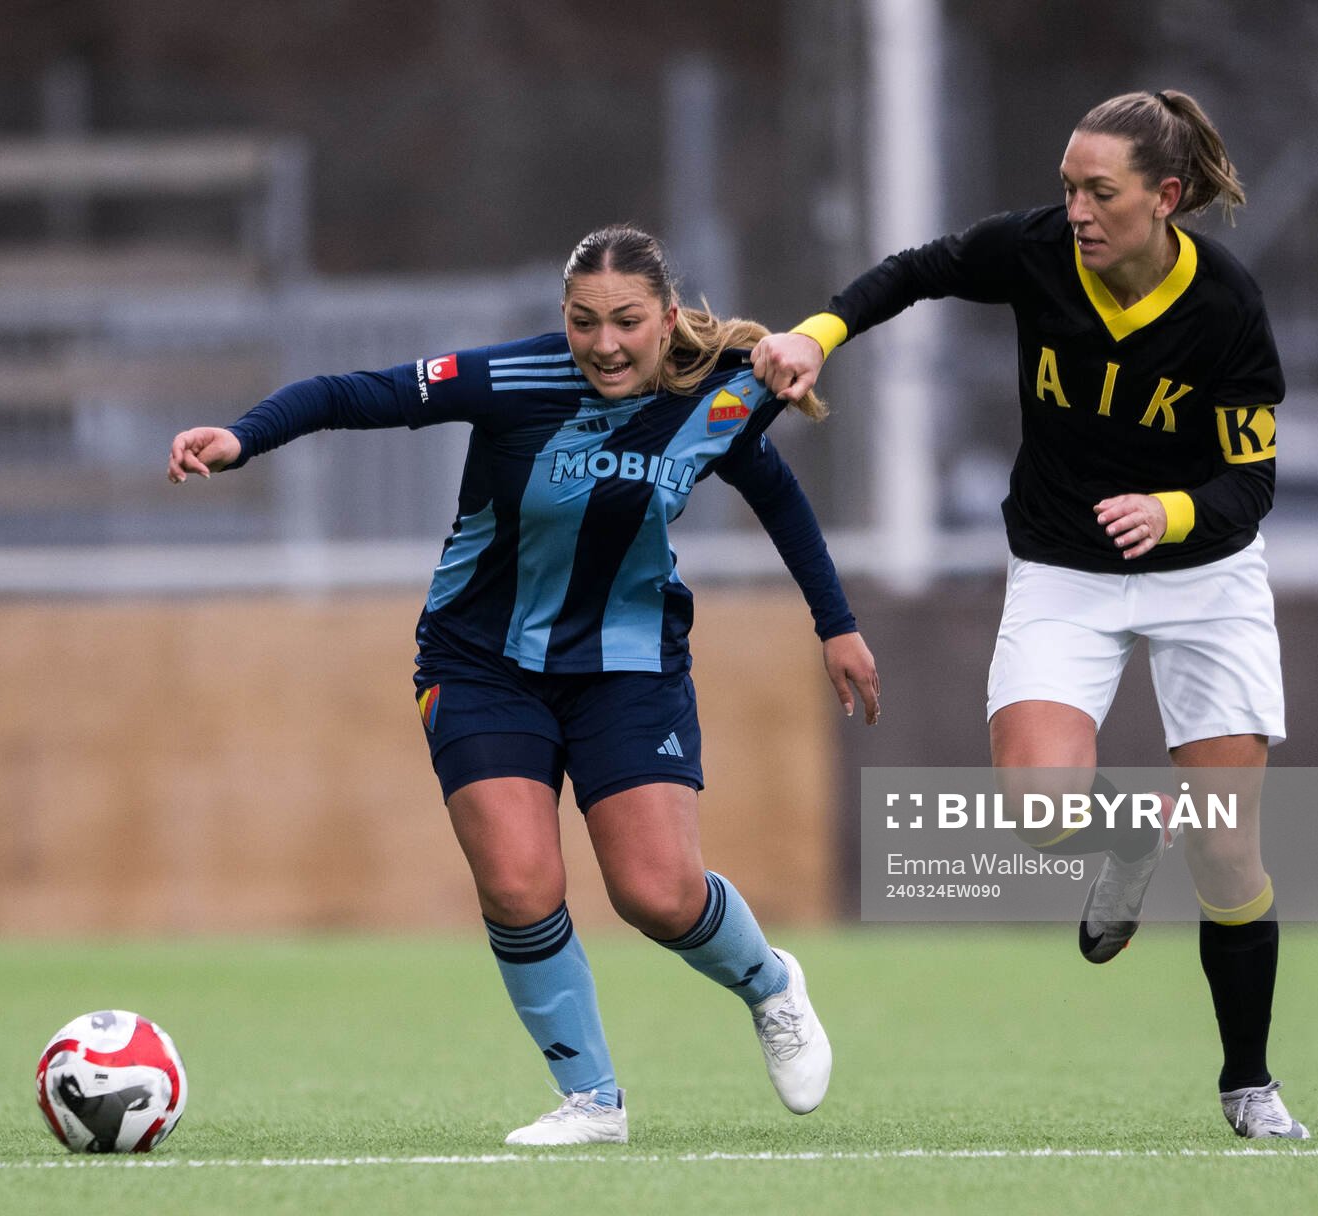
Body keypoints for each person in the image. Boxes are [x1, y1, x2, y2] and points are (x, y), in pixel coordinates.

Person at [169, 224, 880, 1146]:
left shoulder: (718, 394)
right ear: (563, 320)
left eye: (627, 321)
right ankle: (593, 1101)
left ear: (667, 320)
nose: (605, 344)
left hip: (627, 664)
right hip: (480, 661)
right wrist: (243, 437)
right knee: (517, 880)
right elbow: (355, 392)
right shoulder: (509, 380)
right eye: (584, 323)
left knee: (656, 894)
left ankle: (771, 985)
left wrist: (836, 625)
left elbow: (775, 493)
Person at [753, 90, 1305, 1140]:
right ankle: (1125, 836)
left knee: (1228, 850)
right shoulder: (1039, 251)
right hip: (1064, 564)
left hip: (1208, 573)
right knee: (1038, 803)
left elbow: (1251, 483)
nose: (1077, 211)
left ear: (1167, 197)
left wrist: (1172, 507)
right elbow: (916, 270)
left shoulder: (1227, 306)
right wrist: (819, 334)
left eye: (1101, 192)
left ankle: (1249, 1082)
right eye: (1068, 188)